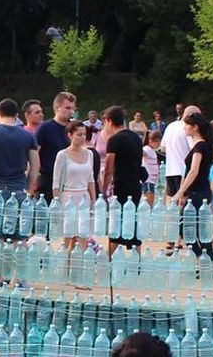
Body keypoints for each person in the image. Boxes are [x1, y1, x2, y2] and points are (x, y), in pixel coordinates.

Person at [100, 105, 145, 253]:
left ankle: (110, 258)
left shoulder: (114, 140)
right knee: (133, 221)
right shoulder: (136, 138)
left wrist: (103, 190)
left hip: (121, 186)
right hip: (136, 185)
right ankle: (137, 258)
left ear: (109, 121)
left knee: (117, 223)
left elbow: (108, 169)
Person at [0, 98, 38, 201]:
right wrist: (28, 187)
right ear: (16, 115)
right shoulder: (29, 136)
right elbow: (35, 165)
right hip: (19, 188)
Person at [176, 109, 213, 263]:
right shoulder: (199, 146)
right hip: (196, 192)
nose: (184, 128)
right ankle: (204, 259)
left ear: (195, 127)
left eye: (187, 125)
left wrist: (180, 192)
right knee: (195, 230)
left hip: (198, 192)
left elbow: (193, 171)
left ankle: (204, 259)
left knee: (194, 230)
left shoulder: (200, 147)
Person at [52, 119, 99, 249]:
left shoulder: (89, 154)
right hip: (68, 198)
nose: (83, 137)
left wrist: (94, 200)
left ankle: (78, 261)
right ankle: (65, 261)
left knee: (82, 235)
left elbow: (91, 179)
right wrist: (57, 202)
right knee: (68, 236)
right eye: (79, 134)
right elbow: (56, 182)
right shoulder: (62, 155)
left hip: (84, 197)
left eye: (84, 134)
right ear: (70, 135)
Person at [35, 93, 76, 203]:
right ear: (58, 108)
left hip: (70, 180)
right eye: (67, 108)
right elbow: (34, 152)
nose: (71, 111)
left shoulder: (74, 128)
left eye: (73, 108)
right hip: (49, 178)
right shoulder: (45, 128)